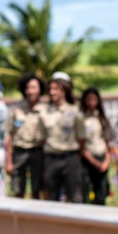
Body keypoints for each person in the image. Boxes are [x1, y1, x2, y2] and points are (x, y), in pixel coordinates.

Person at [39, 72, 86, 203]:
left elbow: (81, 137)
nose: (52, 92)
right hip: (51, 158)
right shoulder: (45, 112)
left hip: (70, 158)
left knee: (75, 196)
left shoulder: (75, 111)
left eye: (55, 89)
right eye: (50, 89)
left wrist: (75, 156)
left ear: (64, 90)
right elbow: (42, 137)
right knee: (51, 197)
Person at [4, 74, 45, 199]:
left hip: (38, 152)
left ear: (40, 90)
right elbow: (9, 135)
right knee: (17, 189)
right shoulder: (16, 108)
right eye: (28, 88)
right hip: (19, 151)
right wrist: (9, 161)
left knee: (37, 190)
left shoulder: (45, 109)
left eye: (34, 87)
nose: (30, 91)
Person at [80, 87, 114, 205]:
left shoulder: (102, 117)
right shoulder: (82, 118)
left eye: (94, 99)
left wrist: (106, 161)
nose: (91, 102)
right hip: (87, 159)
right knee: (85, 191)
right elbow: (81, 145)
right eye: (89, 99)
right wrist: (93, 161)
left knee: (101, 192)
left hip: (101, 157)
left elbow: (107, 142)